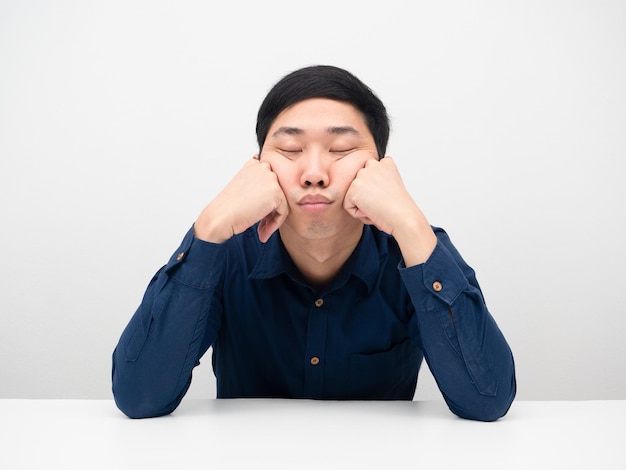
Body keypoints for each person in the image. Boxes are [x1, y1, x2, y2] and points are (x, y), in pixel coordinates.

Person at [112, 65, 516, 421]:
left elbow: (488, 400)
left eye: (341, 149)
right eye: (290, 149)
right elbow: (139, 397)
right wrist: (211, 226)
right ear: (258, 167)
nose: (315, 173)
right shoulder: (226, 251)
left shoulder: (415, 252)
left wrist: (411, 223)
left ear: (379, 167)